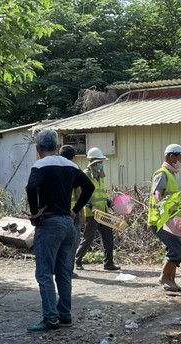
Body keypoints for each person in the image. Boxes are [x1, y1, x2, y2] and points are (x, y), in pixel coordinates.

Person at [25, 130, 95, 332]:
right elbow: (88, 187)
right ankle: (65, 315)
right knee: (63, 272)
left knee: (44, 273)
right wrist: (75, 210)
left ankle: (50, 318)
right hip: (68, 224)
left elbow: (31, 187)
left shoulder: (40, 165)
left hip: (50, 224)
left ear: (39, 149)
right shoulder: (71, 165)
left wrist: (35, 211)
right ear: (56, 147)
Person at [148, 143, 181, 292]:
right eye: (179, 157)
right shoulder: (162, 173)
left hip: (172, 220)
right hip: (161, 221)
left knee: (176, 247)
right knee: (178, 248)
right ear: (171, 156)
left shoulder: (171, 175)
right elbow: (157, 193)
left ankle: (170, 280)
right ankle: (165, 277)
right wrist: (164, 210)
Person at [75, 147, 120, 271]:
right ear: (93, 162)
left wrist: (111, 203)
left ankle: (109, 263)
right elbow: (82, 194)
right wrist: (90, 206)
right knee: (88, 238)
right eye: (99, 162)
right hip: (92, 213)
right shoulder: (85, 175)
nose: (101, 164)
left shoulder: (100, 175)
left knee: (108, 238)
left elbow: (101, 194)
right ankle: (77, 261)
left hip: (103, 212)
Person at [59, 144, 83, 278]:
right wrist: (80, 212)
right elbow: (78, 191)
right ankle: (68, 270)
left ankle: (59, 269)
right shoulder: (73, 169)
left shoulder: (52, 168)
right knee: (73, 242)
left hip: (56, 212)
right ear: (73, 157)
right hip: (72, 213)